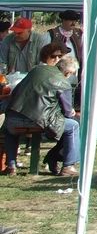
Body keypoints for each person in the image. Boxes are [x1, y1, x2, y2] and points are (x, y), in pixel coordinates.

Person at [3, 44, 80, 176]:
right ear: (67, 73)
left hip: (13, 119)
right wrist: (71, 112)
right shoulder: (63, 82)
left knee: (10, 130)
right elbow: (67, 112)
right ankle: (68, 165)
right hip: (40, 121)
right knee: (73, 126)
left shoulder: (35, 71)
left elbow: (15, 92)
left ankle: (11, 165)